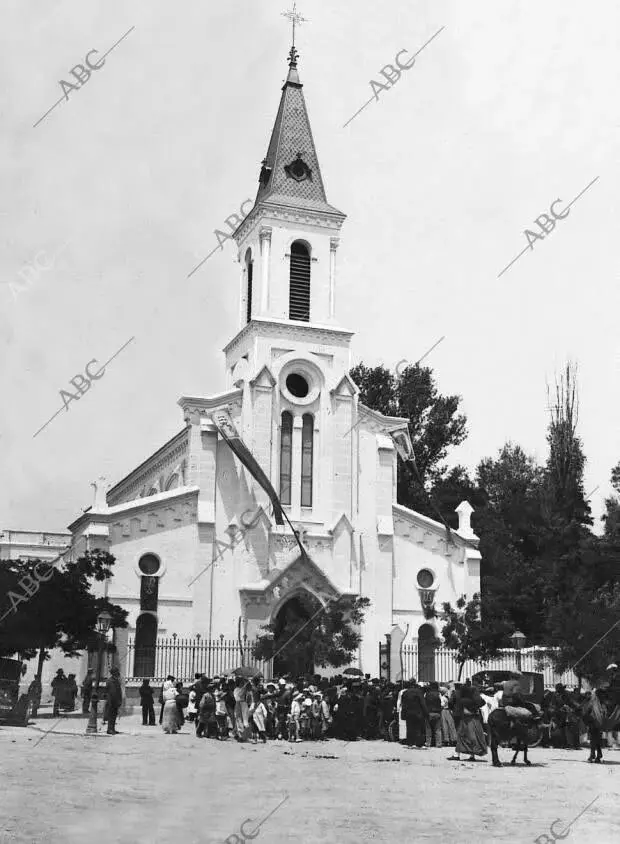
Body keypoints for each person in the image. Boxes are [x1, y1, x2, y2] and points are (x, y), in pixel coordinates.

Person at [449, 681, 487, 761]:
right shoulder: (475, 700)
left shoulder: (463, 700)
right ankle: (472, 755)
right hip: (475, 720)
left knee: (461, 737)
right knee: (473, 738)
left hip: (466, 720)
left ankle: (457, 755)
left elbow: (457, 708)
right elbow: (483, 702)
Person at [401, 679, 429, 748]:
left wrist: (403, 714)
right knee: (419, 728)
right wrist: (426, 712)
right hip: (418, 713)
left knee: (410, 728)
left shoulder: (405, 693)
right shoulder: (419, 692)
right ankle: (419, 744)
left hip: (408, 713)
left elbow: (403, 704)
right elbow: (423, 703)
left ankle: (410, 743)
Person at [424, 681, 443, 748]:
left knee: (428, 729)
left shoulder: (427, 694)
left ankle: (428, 743)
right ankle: (438, 744)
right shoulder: (439, 694)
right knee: (438, 729)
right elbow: (442, 703)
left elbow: (424, 703)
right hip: (437, 713)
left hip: (429, 713)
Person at [105, 667, 123, 735]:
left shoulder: (116, 680)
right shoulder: (110, 681)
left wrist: (119, 701)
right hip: (111, 701)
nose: (118, 673)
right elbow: (112, 692)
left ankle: (112, 729)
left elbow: (118, 692)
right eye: (116, 672)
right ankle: (109, 729)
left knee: (114, 716)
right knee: (111, 716)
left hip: (116, 701)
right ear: (114, 673)